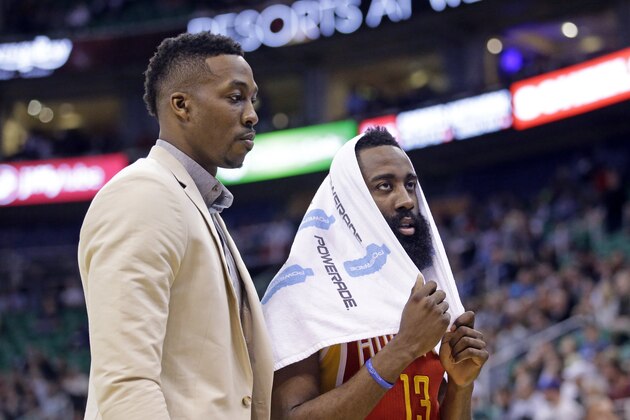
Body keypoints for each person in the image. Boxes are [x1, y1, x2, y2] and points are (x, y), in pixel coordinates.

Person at [78, 32, 273, 419]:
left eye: (252, 99)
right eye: (235, 97)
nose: (251, 114)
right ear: (181, 105)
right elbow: (126, 381)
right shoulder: (143, 193)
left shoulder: (198, 205)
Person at [263, 127, 488, 419]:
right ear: (349, 200)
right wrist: (403, 347)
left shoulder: (424, 293)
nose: (407, 199)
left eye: (410, 185)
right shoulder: (298, 293)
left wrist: (460, 387)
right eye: (385, 186)